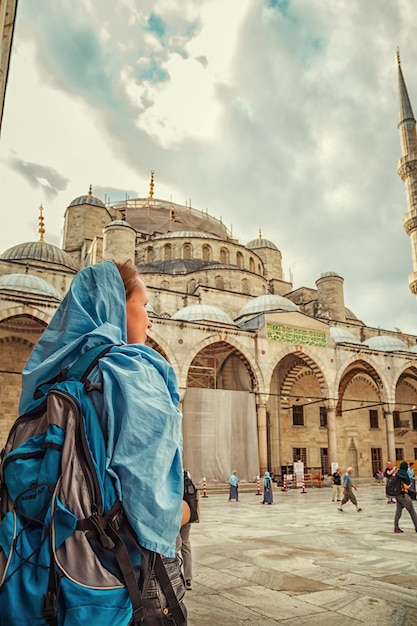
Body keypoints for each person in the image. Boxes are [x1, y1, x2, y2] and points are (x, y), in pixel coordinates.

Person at [18, 259, 188, 624]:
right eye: (144, 306)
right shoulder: (132, 370)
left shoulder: (51, 376)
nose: (150, 319)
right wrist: (187, 509)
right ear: (116, 303)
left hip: (50, 564)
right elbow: (152, 506)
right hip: (128, 579)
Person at [177, 470, 194, 592]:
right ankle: (188, 578)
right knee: (185, 545)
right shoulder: (187, 476)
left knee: (173, 546)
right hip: (187, 514)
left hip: (175, 515)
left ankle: (175, 576)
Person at [392, 461, 417, 533]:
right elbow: (406, 486)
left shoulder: (398, 473)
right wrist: (410, 485)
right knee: (412, 511)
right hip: (403, 495)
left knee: (398, 511)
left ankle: (396, 527)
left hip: (397, 495)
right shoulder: (404, 474)